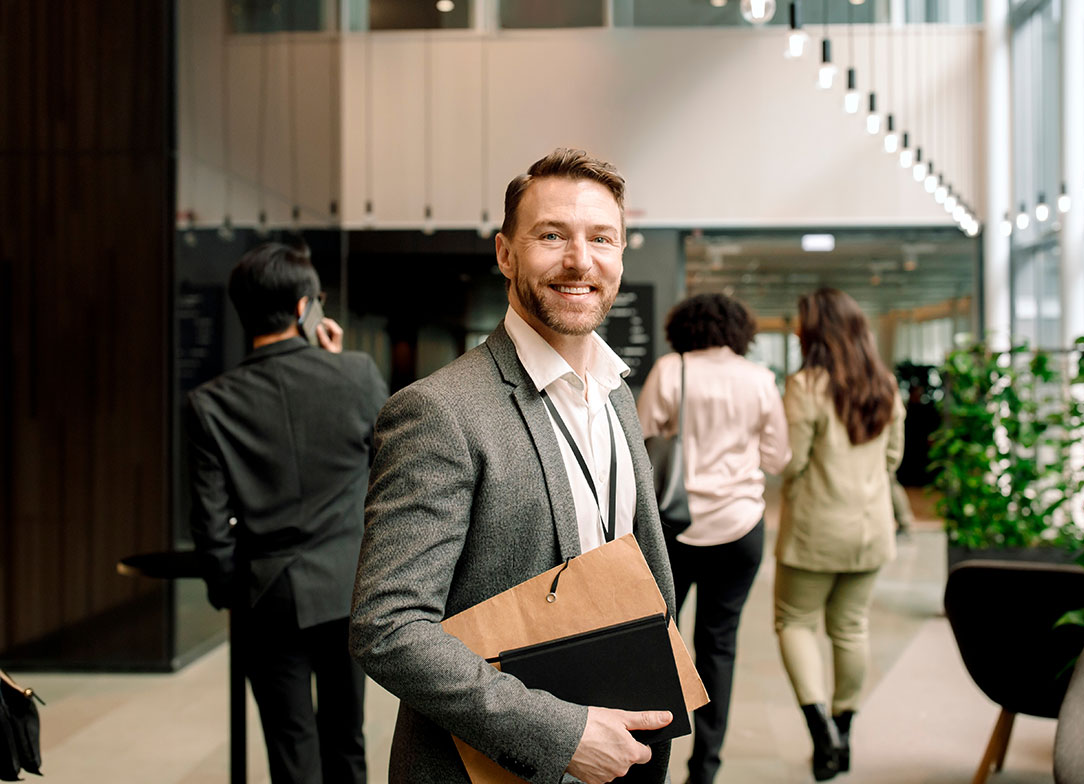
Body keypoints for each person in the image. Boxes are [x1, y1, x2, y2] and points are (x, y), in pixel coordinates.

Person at [349, 148, 677, 784]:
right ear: (505, 254)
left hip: (620, 750)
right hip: (488, 765)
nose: (580, 260)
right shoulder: (439, 411)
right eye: (552, 235)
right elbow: (387, 627)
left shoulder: (615, 392)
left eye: (601, 238)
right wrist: (562, 735)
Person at [186, 241, 387, 784]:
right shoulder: (357, 375)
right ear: (305, 309)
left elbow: (209, 521)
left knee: (289, 743)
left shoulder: (212, 402)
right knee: (347, 734)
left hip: (267, 597)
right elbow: (392, 474)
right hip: (348, 587)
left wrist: (232, 590)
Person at [636, 293, 790, 784]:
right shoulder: (760, 379)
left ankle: (648, 755)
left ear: (684, 327)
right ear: (739, 330)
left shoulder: (671, 369)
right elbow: (778, 457)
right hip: (740, 526)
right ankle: (706, 768)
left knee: (661, 643)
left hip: (674, 528)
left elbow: (641, 440)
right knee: (719, 645)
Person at [773, 288, 904, 782]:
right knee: (851, 627)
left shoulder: (806, 386)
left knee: (795, 622)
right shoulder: (884, 384)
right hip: (870, 529)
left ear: (816, 332)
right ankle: (845, 727)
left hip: (814, 531)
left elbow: (794, 461)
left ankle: (820, 728)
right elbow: (893, 459)